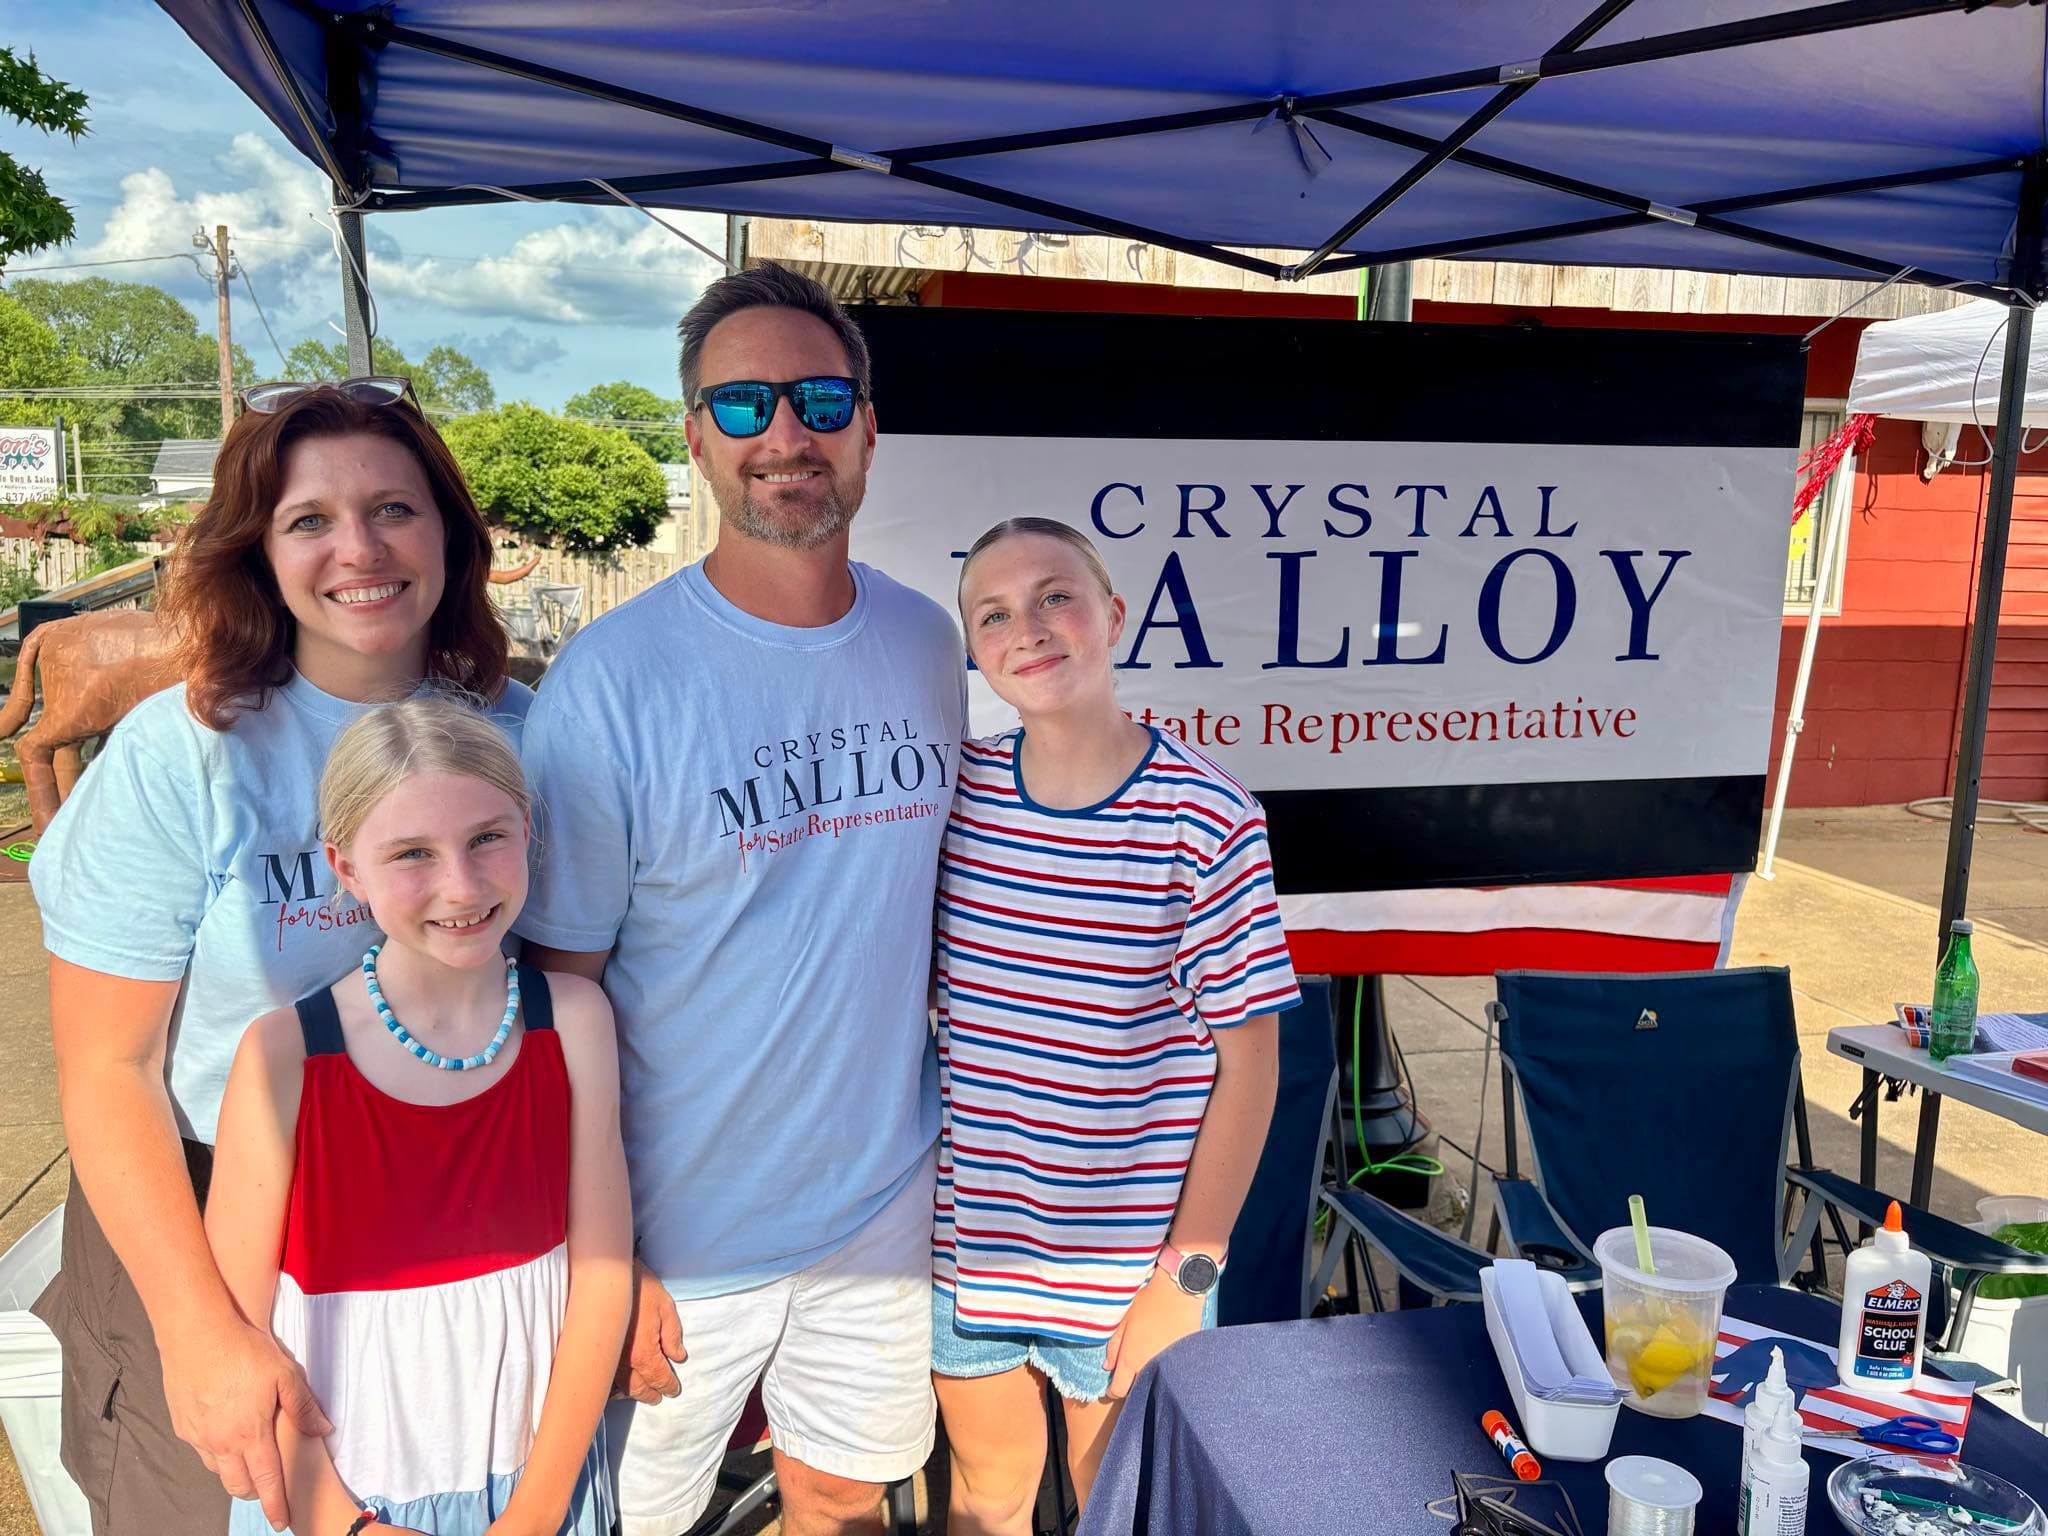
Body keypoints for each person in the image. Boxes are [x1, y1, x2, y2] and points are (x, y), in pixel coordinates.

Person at [28, 379, 532, 1536]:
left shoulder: (521, 738)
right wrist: (199, 1330)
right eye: (309, 519)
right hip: (199, 1218)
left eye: (395, 509)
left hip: (446, 1208)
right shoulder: (187, 755)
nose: (359, 548)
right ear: (257, 548)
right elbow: (108, 1071)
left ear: (450, 535)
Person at [517, 262, 964, 1536]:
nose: (785, 435)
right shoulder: (611, 683)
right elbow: (559, 987)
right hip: (677, 1234)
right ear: (695, 441)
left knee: (840, 1498)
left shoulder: (928, 645)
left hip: (879, 1206)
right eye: (742, 405)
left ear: (869, 430)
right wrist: (602, 1249)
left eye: (822, 400)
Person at [932, 517, 1298, 1534]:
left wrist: (1184, 1280)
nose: (1029, 628)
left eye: (1055, 596)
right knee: (986, 1497)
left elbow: (1250, 1072)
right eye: (993, 613)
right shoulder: (956, 797)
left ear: (1112, 615)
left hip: (1127, 1265)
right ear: (973, 650)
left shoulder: (1207, 819)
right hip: (972, 1250)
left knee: (1119, 1510)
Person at [206, 695, 630, 1535]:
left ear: (528, 831)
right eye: (411, 854)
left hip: (537, 1488)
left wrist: (536, 1515)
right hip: (341, 1500)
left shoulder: (573, 1021)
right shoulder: (284, 1056)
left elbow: (602, 1275)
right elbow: (237, 1338)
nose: (461, 886)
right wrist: (345, 1524)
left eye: (487, 838)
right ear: (346, 868)